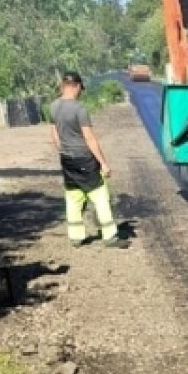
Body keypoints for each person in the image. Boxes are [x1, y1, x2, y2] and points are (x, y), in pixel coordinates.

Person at [49, 72, 129, 249]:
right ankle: (110, 236)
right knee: (100, 195)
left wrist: (63, 150)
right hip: (84, 158)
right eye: (80, 89)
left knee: (74, 197)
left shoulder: (54, 106)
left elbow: (54, 133)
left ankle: (76, 237)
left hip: (67, 159)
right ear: (76, 86)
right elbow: (90, 138)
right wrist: (103, 163)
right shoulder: (79, 109)